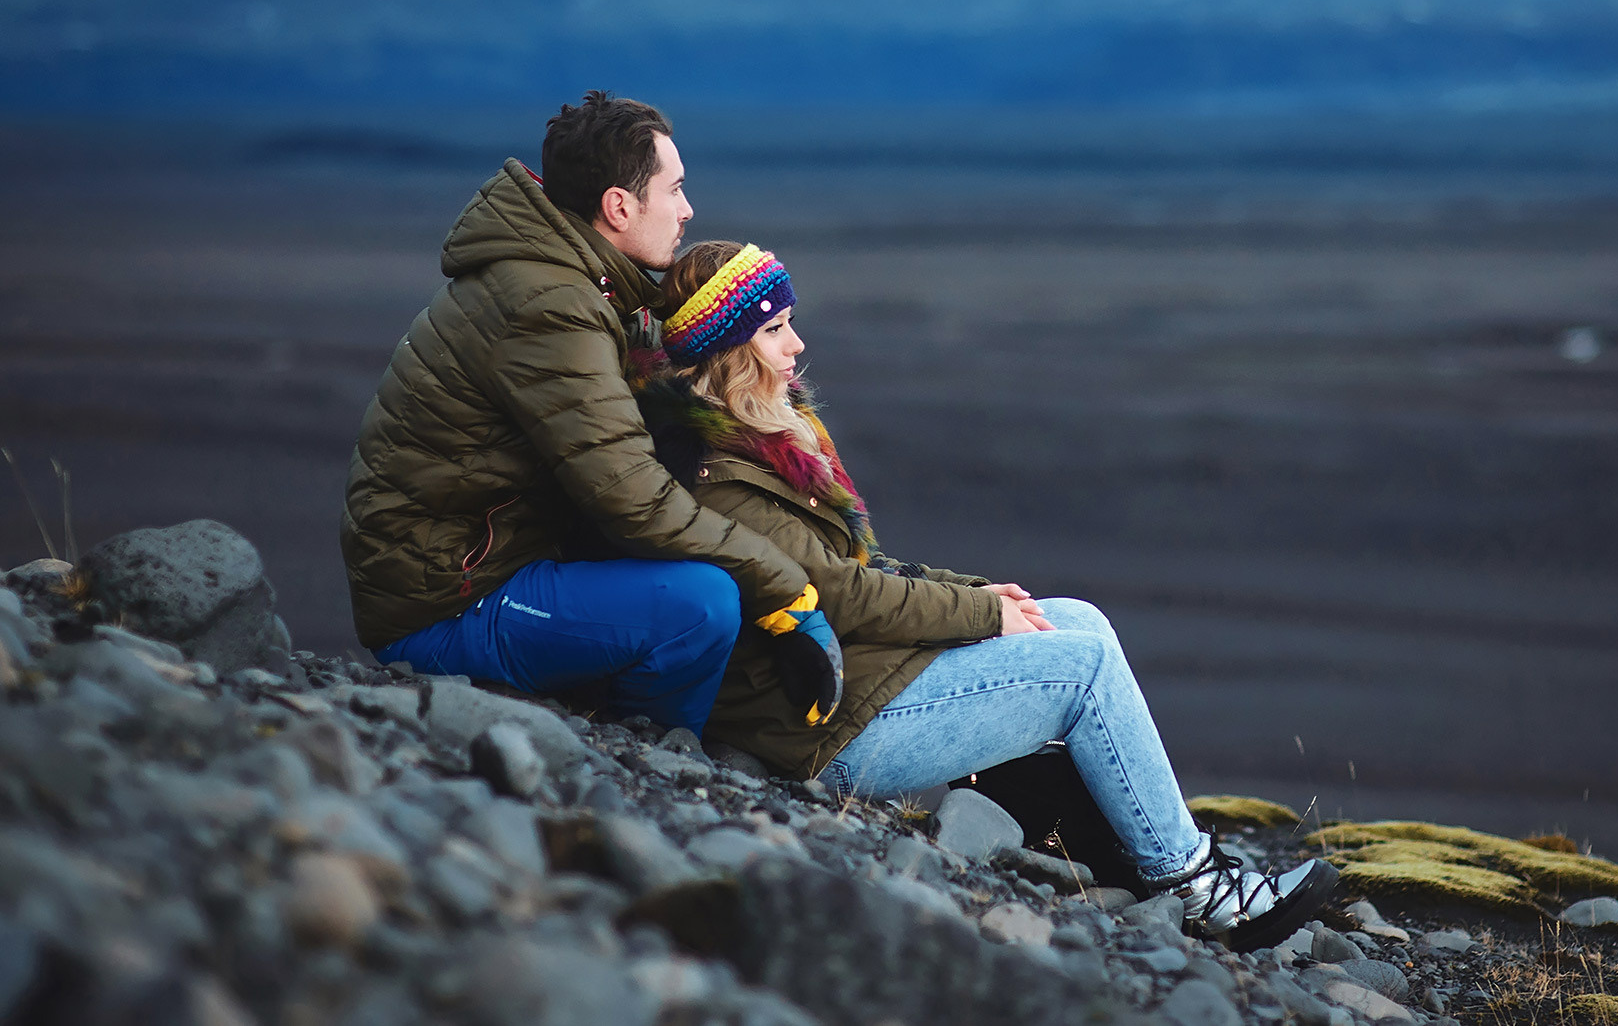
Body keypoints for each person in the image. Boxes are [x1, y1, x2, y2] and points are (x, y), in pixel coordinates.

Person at [627, 238, 1340, 951]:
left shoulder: (759, 440)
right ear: (728, 350)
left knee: (1073, 619)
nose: (797, 343)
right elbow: (837, 595)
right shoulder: (721, 479)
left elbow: (861, 568)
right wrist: (979, 615)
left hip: (856, 678)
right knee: (1080, 667)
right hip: (826, 728)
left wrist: (975, 593)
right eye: (775, 329)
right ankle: (1198, 886)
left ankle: (1098, 834)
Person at [339, 93, 823, 736]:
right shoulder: (549, 306)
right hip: (447, 605)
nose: (688, 210)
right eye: (675, 190)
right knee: (702, 604)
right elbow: (632, 496)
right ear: (619, 206)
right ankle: (655, 762)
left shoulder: (582, 287)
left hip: (492, 567)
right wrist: (790, 592)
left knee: (700, 582)